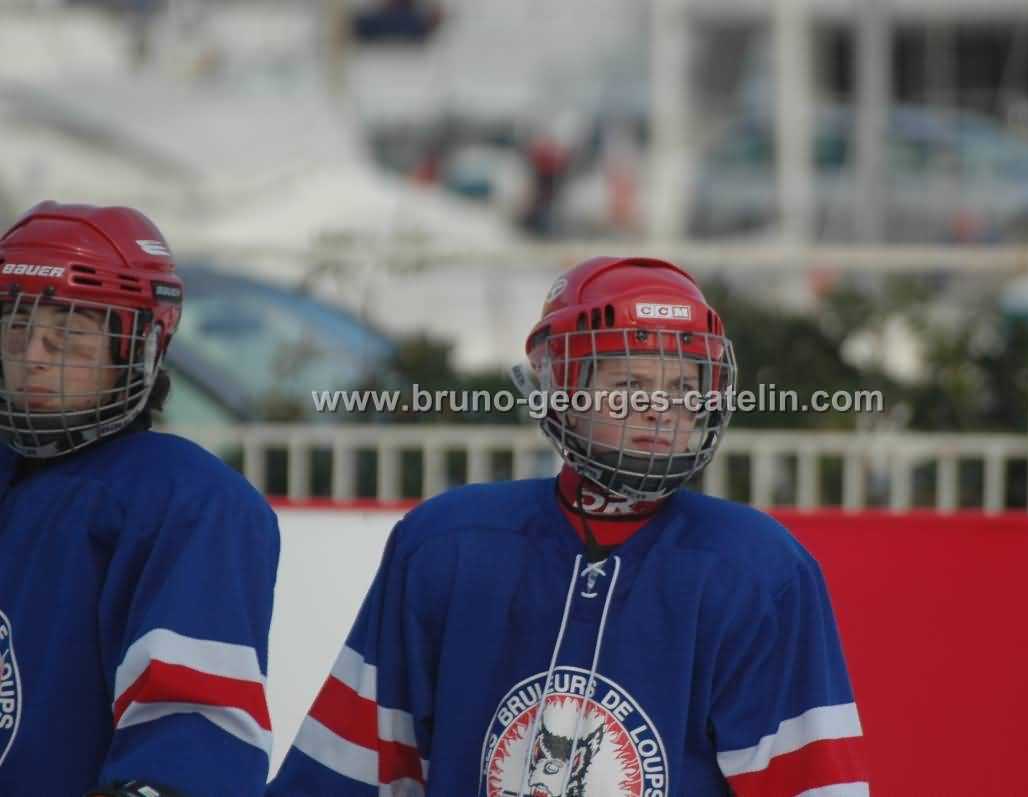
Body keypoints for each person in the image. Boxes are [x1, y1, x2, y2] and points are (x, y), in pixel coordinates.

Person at [268, 256, 867, 796]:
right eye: (629, 385)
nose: (659, 409)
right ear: (560, 391)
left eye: (684, 387)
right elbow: (347, 773)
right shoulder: (446, 547)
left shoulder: (759, 573)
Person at [0, 202, 280, 796]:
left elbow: (195, 743)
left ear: (138, 346)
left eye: (67, 336)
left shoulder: (188, 503)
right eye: (16, 331)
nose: (33, 358)